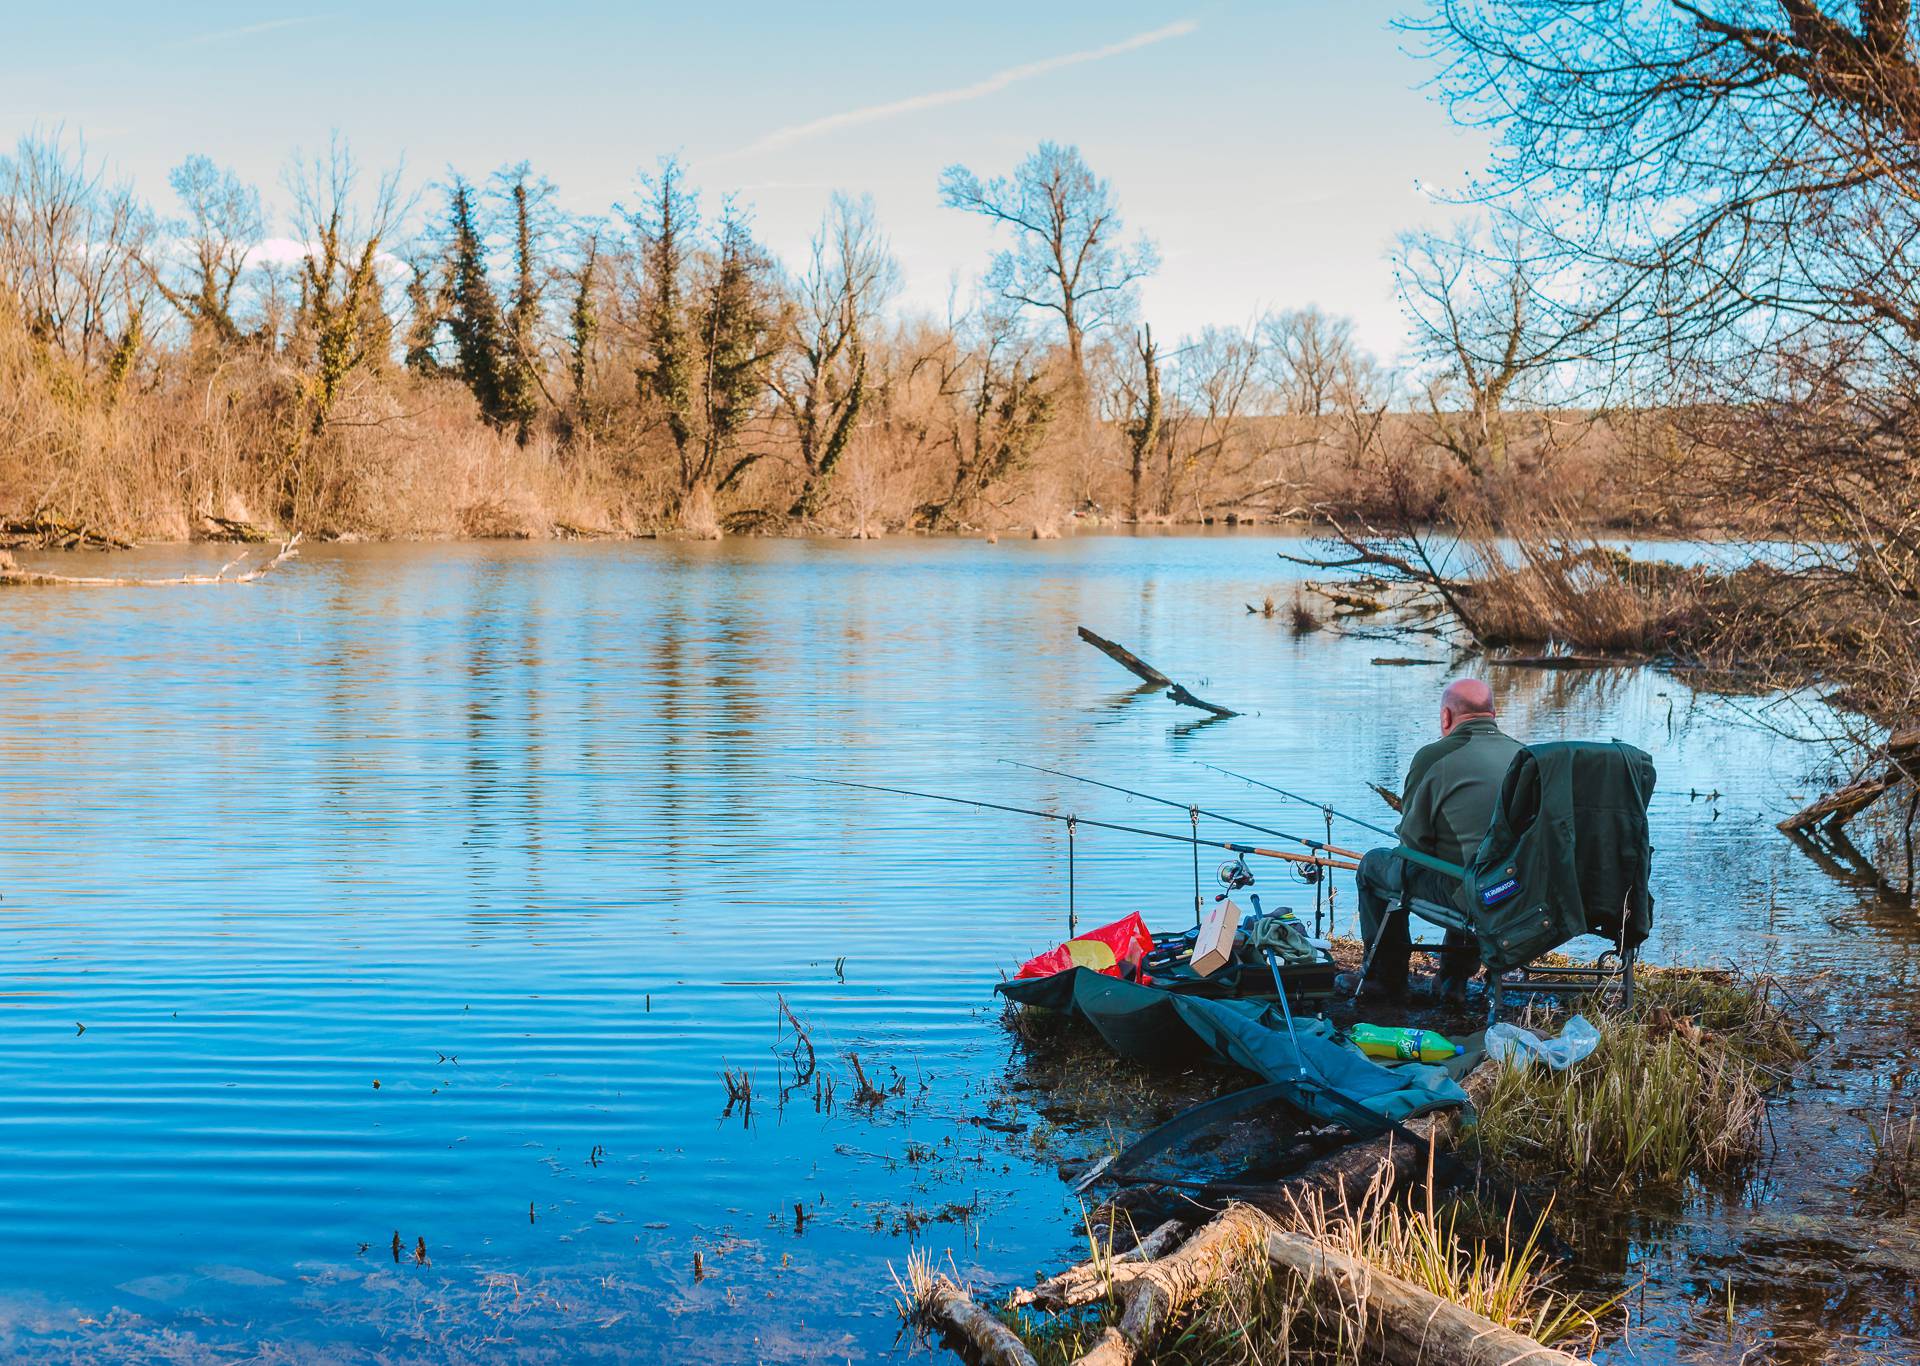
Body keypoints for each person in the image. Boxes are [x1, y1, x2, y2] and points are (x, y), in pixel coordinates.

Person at [1337, 678, 1522, 1003]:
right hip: (1515, 890)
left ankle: (1385, 979)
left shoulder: (1434, 756)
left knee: (1374, 865)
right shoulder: (1526, 757)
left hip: (1470, 893)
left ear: (1446, 717)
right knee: (1474, 866)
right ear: (1494, 713)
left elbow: (1412, 844)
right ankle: (1453, 980)